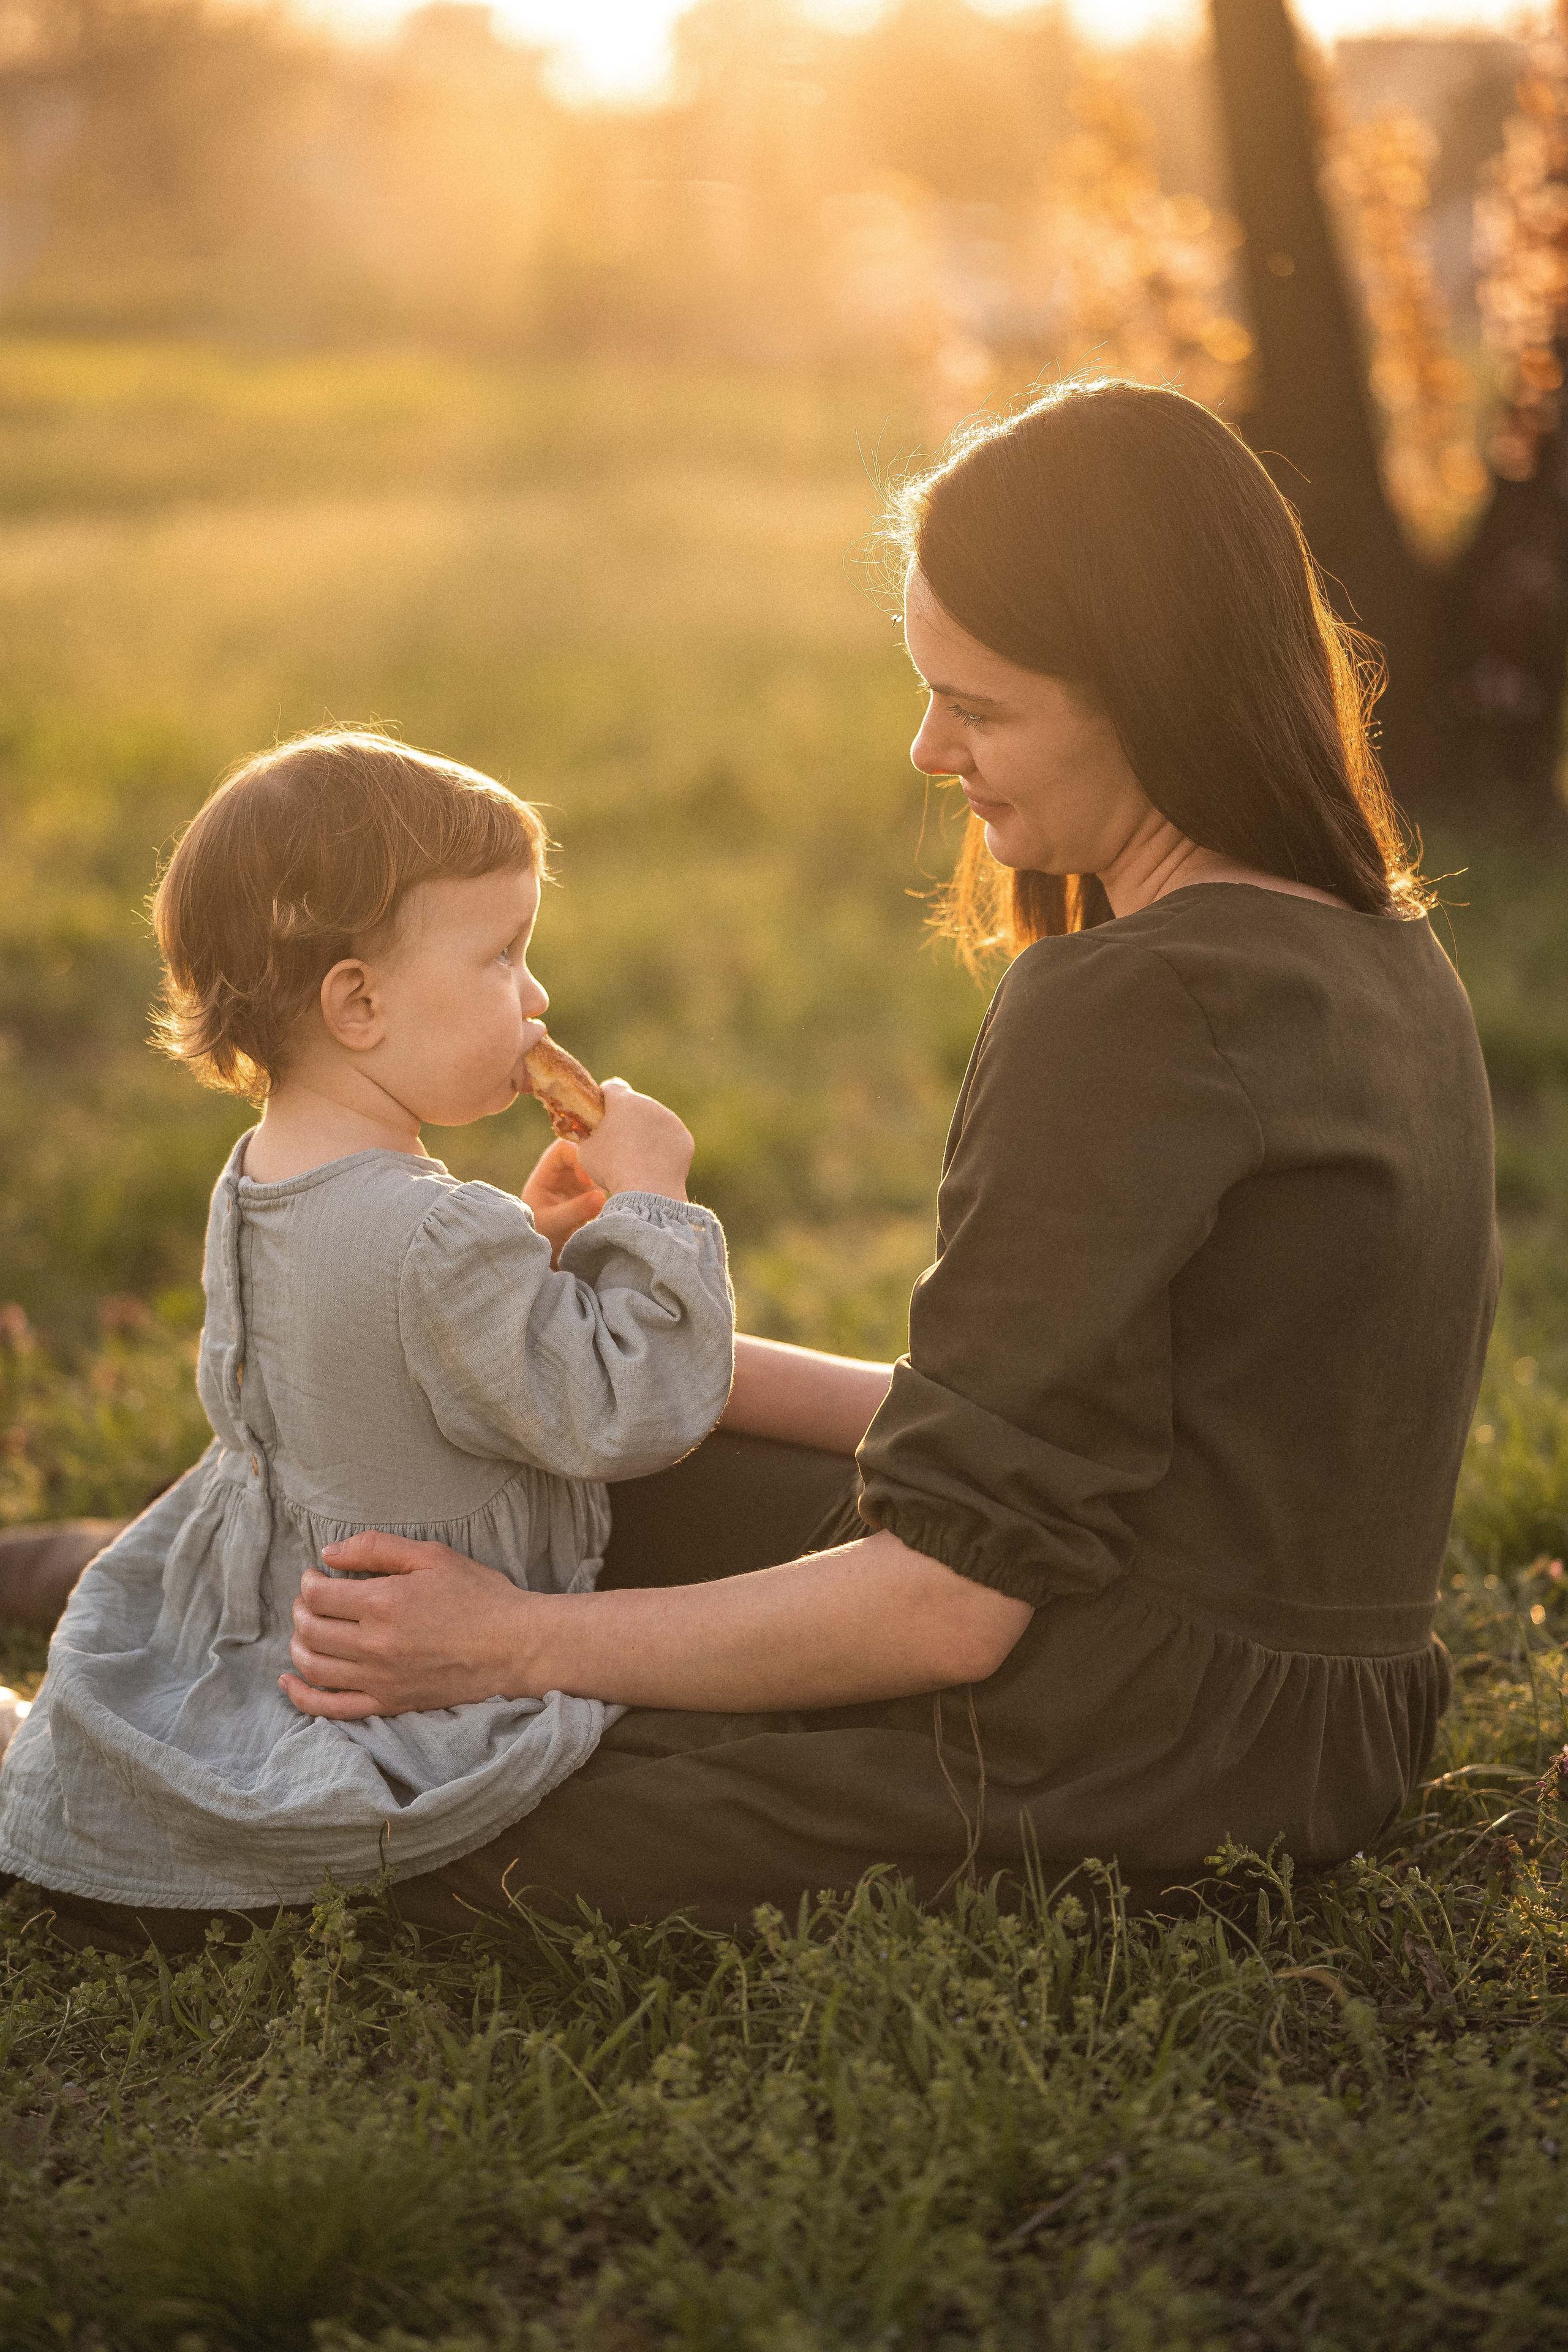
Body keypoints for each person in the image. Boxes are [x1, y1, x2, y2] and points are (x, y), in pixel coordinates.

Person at [13, 379, 1502, 1945]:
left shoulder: (1135, 1003)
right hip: (1317, 1716)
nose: (929, 750)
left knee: (404, 1817)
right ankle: (114, 1573)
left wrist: (509, 1646)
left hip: (1139, 1738)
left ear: (1149, 689)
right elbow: (1039, 1430)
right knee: (543, 1457)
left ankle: (59, 1766)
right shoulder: (1378, 953)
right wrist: (589, 1332)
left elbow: (946, 1599)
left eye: (979, 705)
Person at [0, 732, 733, 1913]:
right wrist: (654, 1208)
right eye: (502, 956)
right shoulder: (438, 1237)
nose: (538, 998)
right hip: (415, 1663)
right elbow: (630, 1411)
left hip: (286, 1608)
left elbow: (394, 1352)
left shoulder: (258, 1178)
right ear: (358, 1001)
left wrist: (536, 1258)